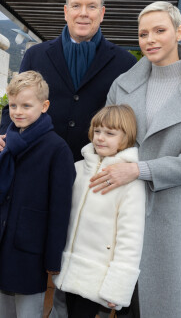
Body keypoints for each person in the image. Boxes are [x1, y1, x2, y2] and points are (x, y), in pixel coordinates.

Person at [89, 1, 181, 317]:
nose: (150, 39)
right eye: (142, 34)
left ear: (179, 32)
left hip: (167, 216)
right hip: (117, 214)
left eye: (159, 31)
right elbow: (103, 144)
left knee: (154, 306)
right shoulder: (122, 85)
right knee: (107, 303)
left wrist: (139, 169)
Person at [0, 0, 137, 163]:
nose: (83, 13)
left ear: (102, 14)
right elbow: (14, 104)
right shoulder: (35, 56)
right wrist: (4, 134)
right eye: (76, 5)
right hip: (36, 165)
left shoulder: (125, 63)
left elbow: (130, 122)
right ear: (66, 12)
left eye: (91, 6)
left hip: (95, 175)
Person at [0, 71, 76, 318]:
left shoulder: (57, 149)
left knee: (28, 310)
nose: (18, 111)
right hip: (5, 239)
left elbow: (60, 208)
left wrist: (53, 259)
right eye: (13, 105)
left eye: (26, 105)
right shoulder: (9, 141)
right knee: (5, 309)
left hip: (33, 246)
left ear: (44, 107)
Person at [53, 104, 145, 318]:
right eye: (97, 131)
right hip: (68, 271)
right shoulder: (77, 169)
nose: (101, 138)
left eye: (110, 133)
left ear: (126, 138)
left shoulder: (131, 185)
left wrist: (118, 287)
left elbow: (130, 239)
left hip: (97, 278)